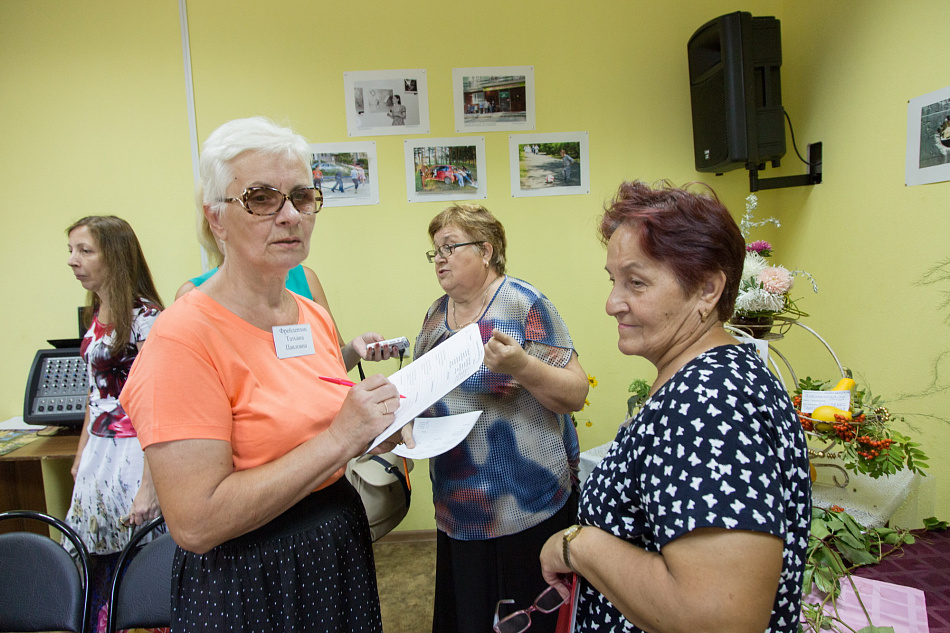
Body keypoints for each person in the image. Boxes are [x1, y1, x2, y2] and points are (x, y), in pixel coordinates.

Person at [120, 116, 410, 632]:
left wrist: (375, 429)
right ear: (216, 219)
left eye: (302, 196)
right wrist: (341, 439)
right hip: (251, 577)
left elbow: (307, 426)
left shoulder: (309, 313)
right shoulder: (182, 338)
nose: (290, 215)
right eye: (261, 198)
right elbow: (195, 521)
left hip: (333, 550)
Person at [538, 181, 811, 633]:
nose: (611, 303)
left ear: (707, 289)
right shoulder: (710, 378)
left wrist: (577, 546)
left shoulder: (711, 402)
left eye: (637, 282)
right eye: (613, 280)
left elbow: (719, 617)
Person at [414, 204, 589, 633]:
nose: (439, 258)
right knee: (472, 617)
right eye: (435, 250)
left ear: (487, 250)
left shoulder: (524, 304)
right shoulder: (437, 315)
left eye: (450, 247)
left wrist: (522, 366)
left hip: (525, 506)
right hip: (459, 507)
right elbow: (422, 389)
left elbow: (576, 392)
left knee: (526, 618)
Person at [65, 215, 165, 632]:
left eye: (85, 250)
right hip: (99, 455)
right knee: (95, 559)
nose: (73, 260)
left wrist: (150, 484)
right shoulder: (95, 312)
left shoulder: (148, 318)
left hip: (134, 453)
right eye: (70, 250)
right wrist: (79, 455)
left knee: (141, 558)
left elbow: (160, 403)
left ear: (116, 256)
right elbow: (95, 394)